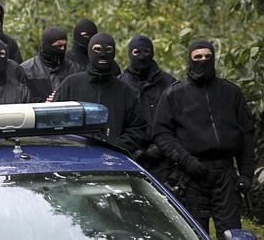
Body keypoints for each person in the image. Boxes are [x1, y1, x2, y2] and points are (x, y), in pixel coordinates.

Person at [153, 40, 255, 238]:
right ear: (190, 59)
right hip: (192, 177)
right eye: (198, 57)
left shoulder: (231, 92)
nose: (203, 60)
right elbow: (161, 133)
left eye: (208, 56)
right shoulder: (175, 94)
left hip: (226, 176)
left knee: (232, 233)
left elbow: (246, 134)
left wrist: (246, 174)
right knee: (194, 233)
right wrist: (186, 160)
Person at [53, 33, 147, 153]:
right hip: (73, 158)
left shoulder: (125, 91)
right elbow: (54, 121)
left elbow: (137, 128)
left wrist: (116, 147)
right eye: (97, 49)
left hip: (112, 162)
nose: (102, 54)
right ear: (89, 51)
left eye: (108, 50)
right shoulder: (70, 85)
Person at [118, 35, 176, 182]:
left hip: (165, 161)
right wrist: (129, 149)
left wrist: (161, 148)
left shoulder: (169, 83)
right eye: (137, 52)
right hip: (130, 158)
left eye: (146, 52)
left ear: (152, 53)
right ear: (130, 54)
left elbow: (178, 121)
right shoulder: (120, 84)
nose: (142, 57)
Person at [21, 26, 82, 103]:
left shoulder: (75, 69)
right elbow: (23, 99)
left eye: (64, 45)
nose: (63, 49)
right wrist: (44, 105)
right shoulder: (26, 70)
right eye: (59, 46)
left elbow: (80, 95)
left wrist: (62, 99)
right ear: (47, 46)